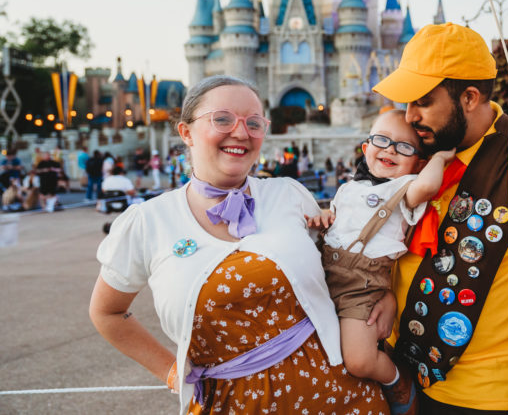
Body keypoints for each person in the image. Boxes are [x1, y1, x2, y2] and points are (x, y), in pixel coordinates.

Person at [89, 75, 388, 414]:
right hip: (230, 405)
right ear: (186, 132)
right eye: (222, 119)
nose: (241, 133)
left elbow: (350, 265)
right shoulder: (148, 221)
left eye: (254, 123)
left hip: (341, 396)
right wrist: (173, 374)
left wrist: (385, 295)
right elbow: (107, 312)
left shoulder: (287, 194)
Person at [371, 23, 508, 414]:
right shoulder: (418, 155)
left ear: (470, 97)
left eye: (422, 101)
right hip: (400, 380)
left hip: (485, 399)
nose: (409, 115)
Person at [308, 109, 454, 405]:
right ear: (366, 148)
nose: (390, 149)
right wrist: (325, 216)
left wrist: (438, 159)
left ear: (418, 162)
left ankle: (397, 381)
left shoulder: (404, 188)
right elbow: (340, 222)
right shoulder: (350, 188)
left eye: (404, 146)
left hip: (360, 286)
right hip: (325, 276)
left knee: (359, 360)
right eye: (382, 140)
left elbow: (428, 186)